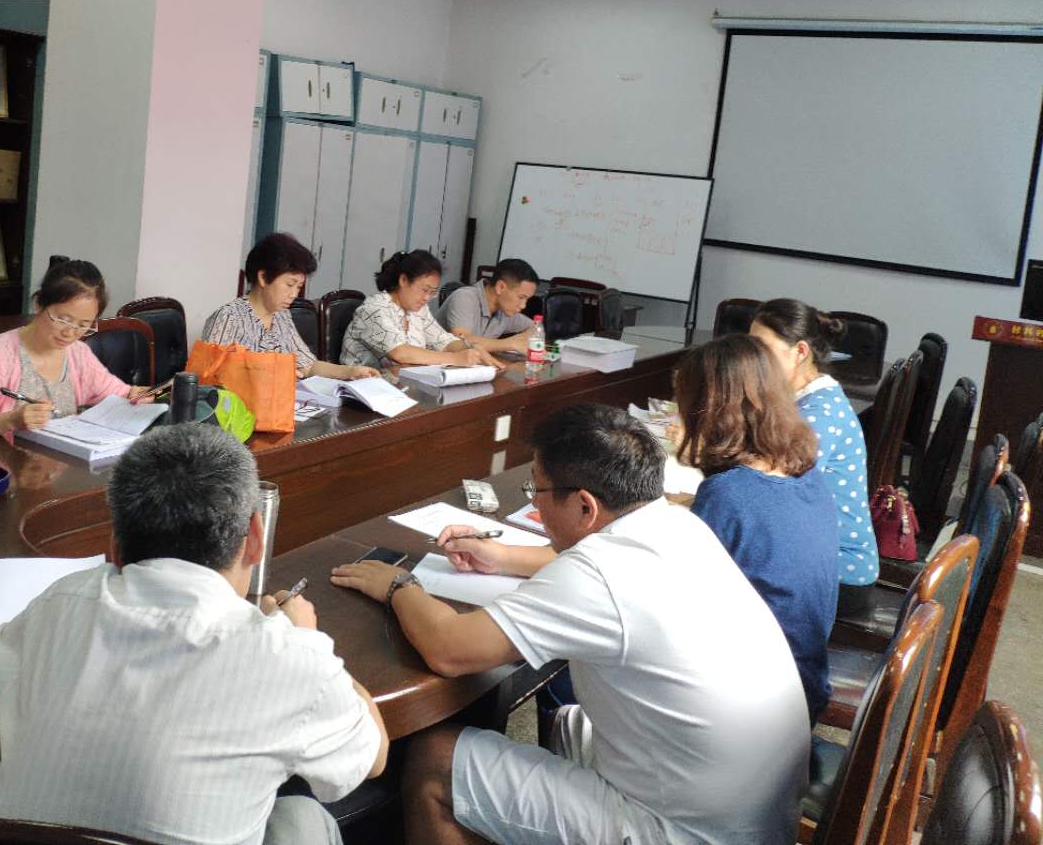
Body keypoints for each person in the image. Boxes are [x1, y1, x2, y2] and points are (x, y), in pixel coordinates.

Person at [331, 404, 808, 845]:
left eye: (536, 490)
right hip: (753, 812)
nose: (535, 505)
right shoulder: (678, 525)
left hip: (682, 831)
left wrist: (399, 585)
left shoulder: (597, 575)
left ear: (584, 505)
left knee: (435, 760)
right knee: (568, 724)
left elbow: (449, 648)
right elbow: (594, 575)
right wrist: (500, 556)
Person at [0, 424, 387, 845]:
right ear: (255, 537)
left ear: (114, 546)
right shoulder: (287, 656)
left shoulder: (63, 601)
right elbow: (374, 756)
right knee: (303, 816)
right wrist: (307, 639)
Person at [674, 333, 839, 726]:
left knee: (580, 667)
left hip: (754, 711)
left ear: (705, 410)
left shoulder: (728, 494)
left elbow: (677, 605)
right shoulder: (804, 470)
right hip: (803, 686)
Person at [751, 298, 879, 616]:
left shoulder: (821, 412)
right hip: (811, 555)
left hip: (839, 574)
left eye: (762, 349)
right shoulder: (801, 397)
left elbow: (773, 488)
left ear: (800, 352)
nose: (753, 359)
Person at [0, 260, 153, 441]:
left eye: (83, 325)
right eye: (63, 319)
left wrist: (134, 395)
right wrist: (9, 421)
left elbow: (117, 392)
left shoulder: (78, 353)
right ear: (39, 304)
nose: (70, 333)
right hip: (7, 466)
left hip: (64, 466)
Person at [202, 233, 379, 381]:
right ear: (263, 278)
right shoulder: (229, 317)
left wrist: (350, 371)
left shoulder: (282, 316)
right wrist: (269, 374)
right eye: (290, 284)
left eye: (299, 287)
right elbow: (207, 376)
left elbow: (308, 366)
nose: (294, 294)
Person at [341, 250, 500, 371]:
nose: (427, 298)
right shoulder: (375, 309)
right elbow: (401, 353)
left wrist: (470, 348)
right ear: (403, 280)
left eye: (432, 292)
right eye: (424, 290)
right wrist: (455, 358)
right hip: (362, 389)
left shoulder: (417, 310)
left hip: (401, 385)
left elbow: (444, 341)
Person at [439, 258, 539, 357]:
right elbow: (462, 342)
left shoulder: (504, 311)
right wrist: (511, 344)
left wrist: (523, 338)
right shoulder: (464, 298)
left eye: (527, 299)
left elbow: (536, 327)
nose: (523, 305)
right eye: (521, 297)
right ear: (500, 287)